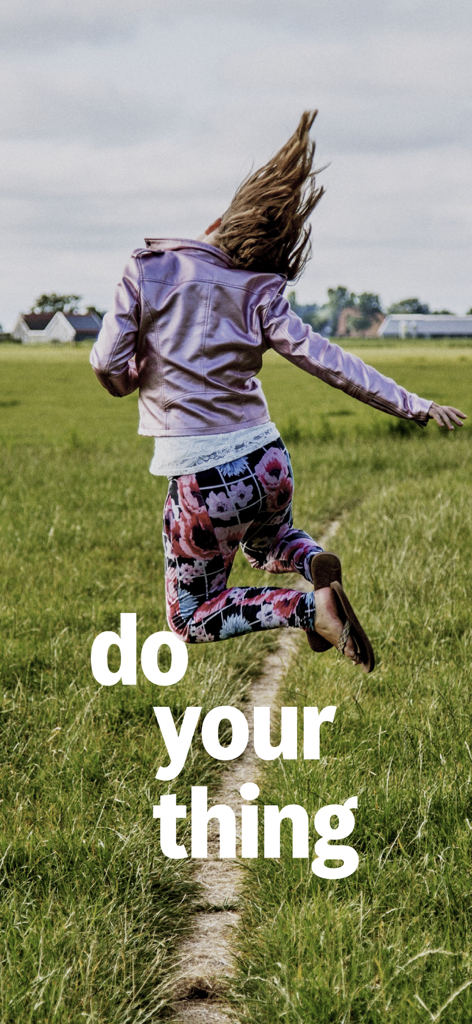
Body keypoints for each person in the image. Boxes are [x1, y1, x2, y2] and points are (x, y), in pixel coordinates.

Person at [90, 111, 465, 673]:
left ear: (220, 218)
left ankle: (310, 608)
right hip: (268, 464)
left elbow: (107, 364)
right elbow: (330, 360)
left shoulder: (146, 270)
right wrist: (415, 404)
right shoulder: (261, 290)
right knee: (268, 540)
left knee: (191, 616)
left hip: (203, 478)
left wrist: (132, 378)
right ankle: (310, 558)